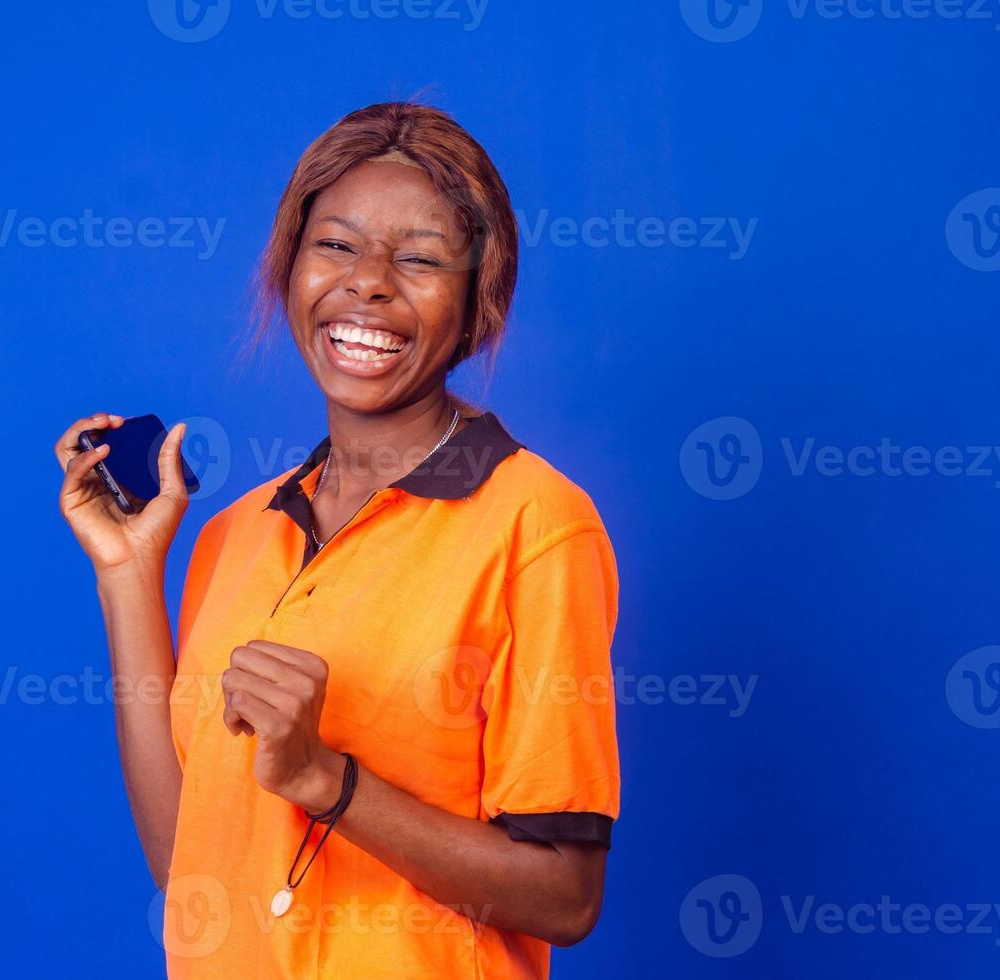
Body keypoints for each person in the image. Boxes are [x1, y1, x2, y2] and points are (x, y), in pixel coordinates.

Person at [55, 101, 620, 979]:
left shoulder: (538, 525)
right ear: (289, 268)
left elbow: (565, 897)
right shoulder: (237, 532)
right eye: (336, 245)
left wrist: (327, 780)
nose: (368, 283)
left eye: (421, 259)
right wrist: (130, 577)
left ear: (477, 301)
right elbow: (186, 863)